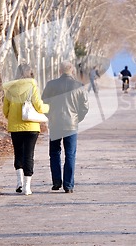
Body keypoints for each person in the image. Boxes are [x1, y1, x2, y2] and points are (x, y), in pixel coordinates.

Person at [42, 61, 89, 193]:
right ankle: (68, 185)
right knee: (70, 154)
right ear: (72, 71)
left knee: (54, 153)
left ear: (60, 71)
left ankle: (56, 182)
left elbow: (43, 103)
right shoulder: (79, 86)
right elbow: (84, 107)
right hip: (71, 124)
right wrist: (77, 118)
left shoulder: (51, 85)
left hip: (55, 123)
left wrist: (50, 116)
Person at [3, 64, 49, 195]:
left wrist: (11, 116)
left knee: (18, 154)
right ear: (30, 73)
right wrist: (48, 108)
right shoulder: (33, 87)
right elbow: (39, 107)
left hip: (15, 127)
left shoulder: (10, 88)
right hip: (31, 126)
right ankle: (27, 187)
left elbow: (5, 110)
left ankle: (19, 183)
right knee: (29, 155)